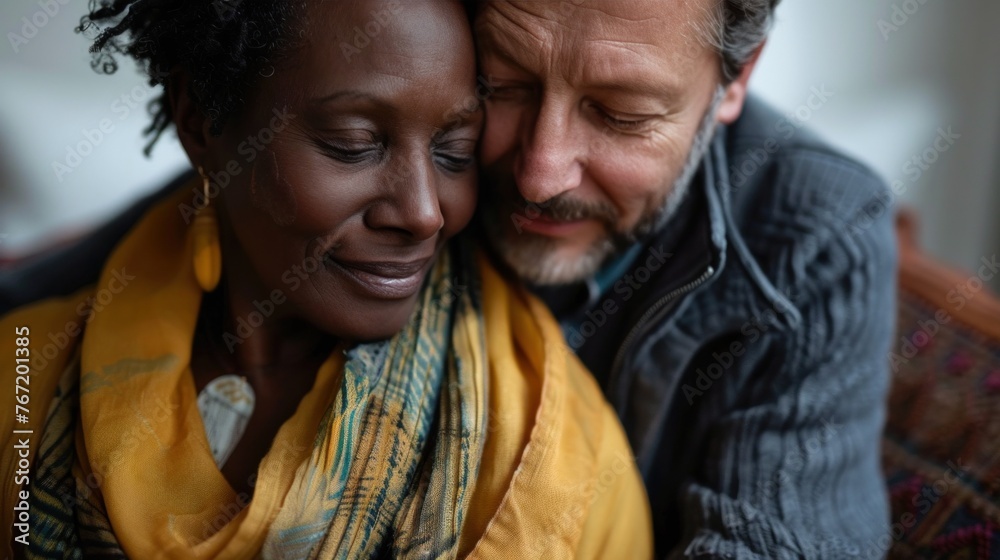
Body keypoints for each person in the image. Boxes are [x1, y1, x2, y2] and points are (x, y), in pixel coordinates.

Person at [0, 1, 652, 558]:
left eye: (454, 152)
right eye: (354, 143)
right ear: (200, 119)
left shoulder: (563, 454)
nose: (424, 212)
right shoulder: (23, 373)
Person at [473, 0, 896, 557]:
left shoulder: (820, 239)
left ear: (736, 79)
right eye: (500, 85)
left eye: (621, 116)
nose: (539, 176)